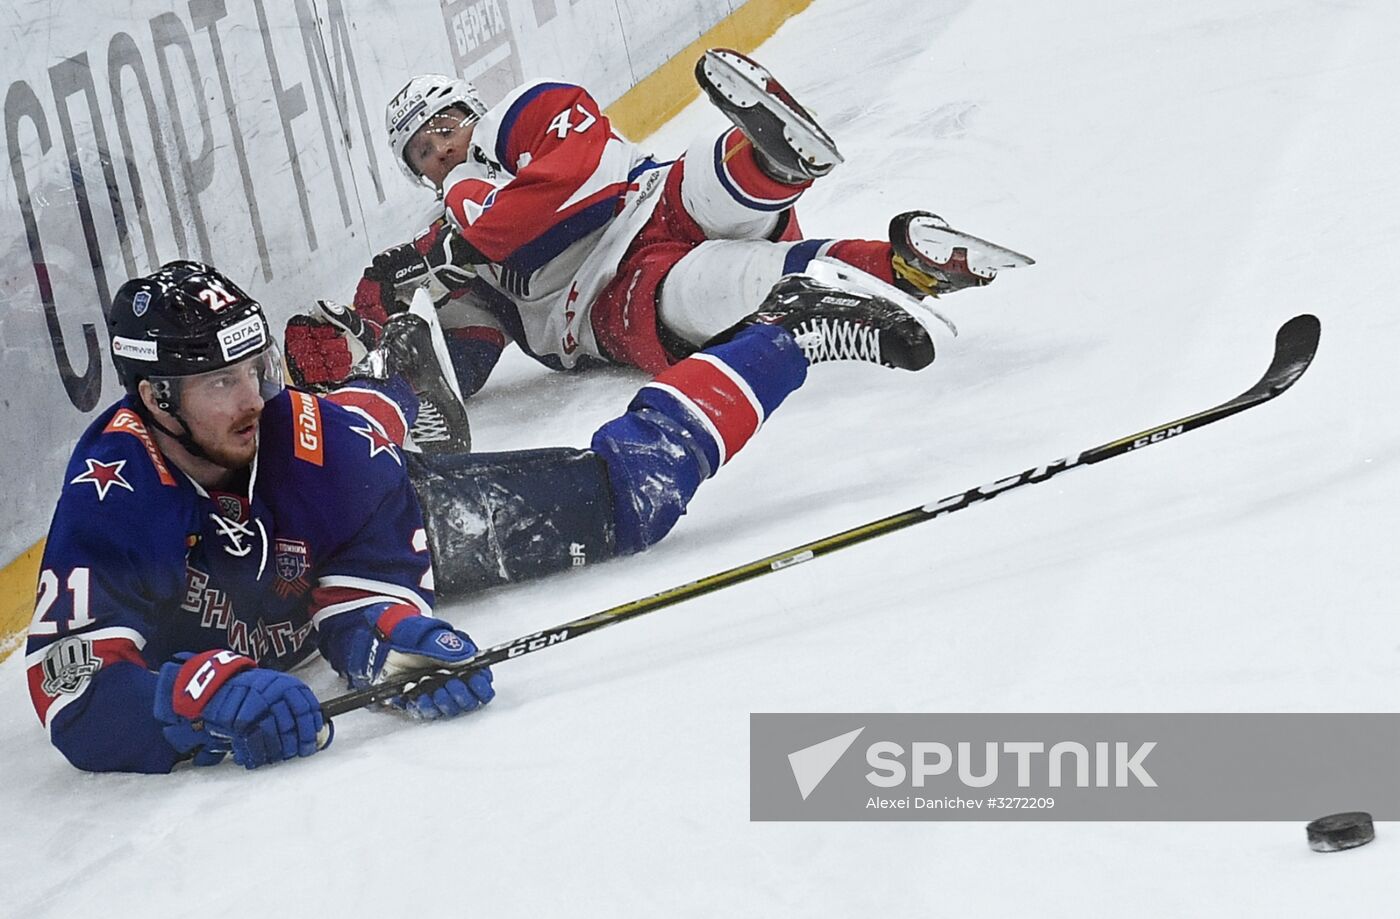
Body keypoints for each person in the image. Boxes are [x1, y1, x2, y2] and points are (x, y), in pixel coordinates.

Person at [26, 255, 940, 774]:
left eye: (257, 367)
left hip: (386, 478)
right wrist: (189, 699)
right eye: (221, 381)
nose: (255, 397)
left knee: (626, 498)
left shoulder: (319, 441)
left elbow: (369, 567)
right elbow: (72, 691)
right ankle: (402, 379)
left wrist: (390, 634)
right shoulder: (111, 496)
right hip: (332, 490)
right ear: (153, 397)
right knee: (384, 412)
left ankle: (789, 327)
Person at [284, 49, 1027, 408]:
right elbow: (461, 367)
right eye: (423, 151)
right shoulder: (444, 243)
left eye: (444, 128)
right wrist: (374, 335)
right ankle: (908, 268)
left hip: (649, 202)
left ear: (470, 112)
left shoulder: (522, 116)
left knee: (713, 182)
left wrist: (466, 242)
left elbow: (584, 177)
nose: (440, 149)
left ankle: (773, 159)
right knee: (725, 286)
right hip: (610, 304)